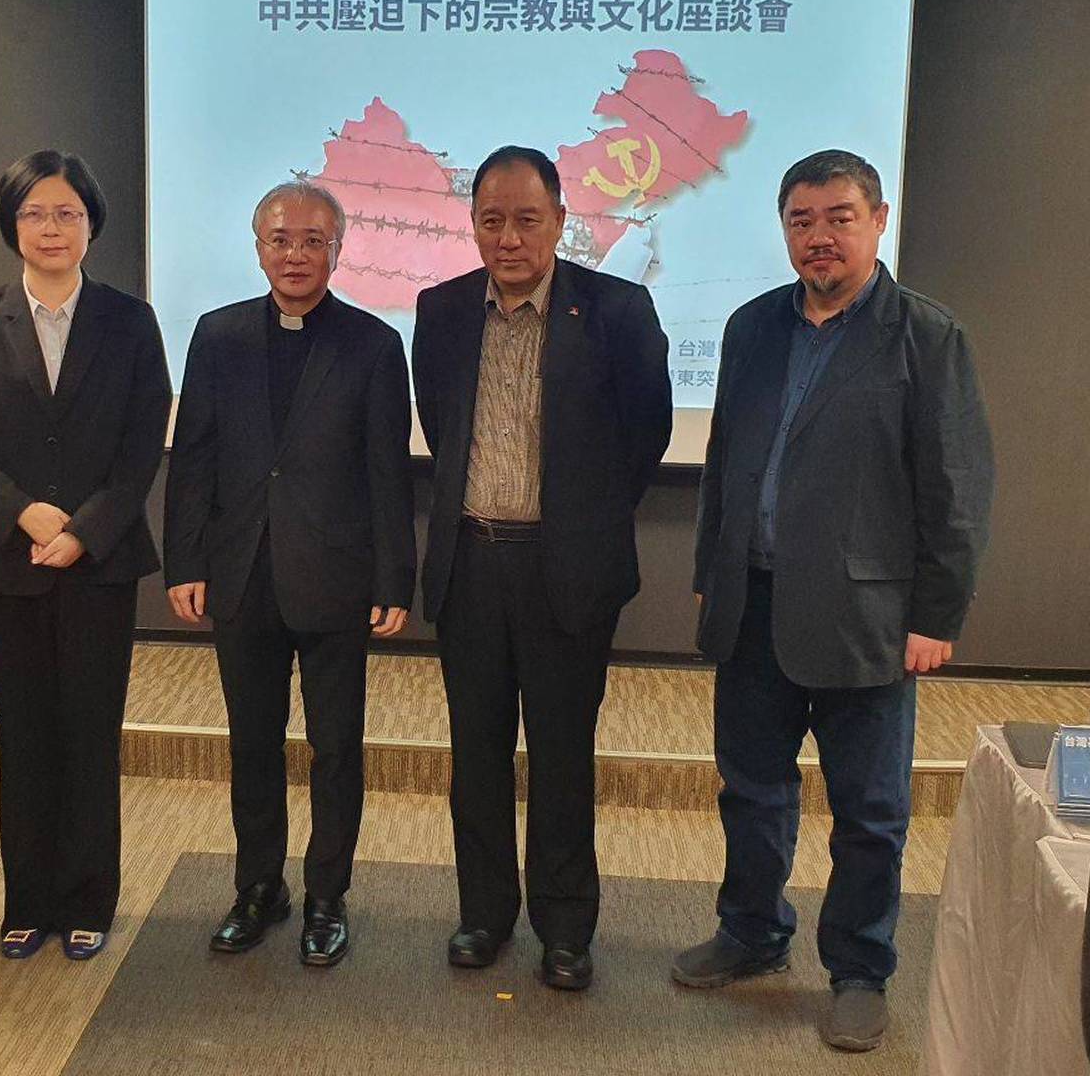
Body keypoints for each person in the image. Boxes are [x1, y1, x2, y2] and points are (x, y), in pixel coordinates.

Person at [676, 149, 994, 1052]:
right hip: (753, 604)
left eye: (839, 217)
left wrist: (937, 616)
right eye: (802, 220)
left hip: (870, 621)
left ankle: (859, 968)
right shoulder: (751, 328)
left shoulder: (926, 336)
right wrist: (711, 570)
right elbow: (726, 464)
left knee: (869, 813)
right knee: (750, 790)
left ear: (878, 220)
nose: (819, 236)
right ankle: (751, 931)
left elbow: (957, 487)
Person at [412, 145, 672, 990]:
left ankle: (565, 928)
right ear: (472, 223)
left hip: (568, 572)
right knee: (476, 754)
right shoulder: (442, 310)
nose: (509, 237)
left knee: (563, 756)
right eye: (492, 220)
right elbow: (441, 424)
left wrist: (585, 520)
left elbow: (647, 433)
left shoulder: (617, 310)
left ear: (561, 221)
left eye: (527, 219)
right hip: (470, 565)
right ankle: (484, 914)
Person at [163, 179, 415, 967]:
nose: (296, 254)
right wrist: (186, 560)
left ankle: (327, 896)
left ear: (337, 249)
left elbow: (388, 472)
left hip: (336, 577)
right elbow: (194, 456)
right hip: (241, 574)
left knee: (336, 747)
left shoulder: (374, 344)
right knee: (252, 743)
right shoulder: (218, 335)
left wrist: (394, 579)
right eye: (280, 239)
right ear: (258, 246)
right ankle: (258, 888)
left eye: (313, 241)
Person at [0, 150, 170, 963]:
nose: (51, 228)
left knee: (90, 733)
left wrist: (86, 528)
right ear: (13, 226)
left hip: (100, 562)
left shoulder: (130, 322)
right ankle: (28, 902)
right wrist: (22, 514)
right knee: (25, 735)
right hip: (9, 564)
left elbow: (142, 442)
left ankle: (89, 899)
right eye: (34, 213)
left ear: (91, 224)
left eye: (67, 213)